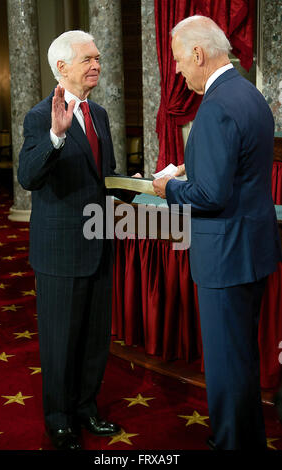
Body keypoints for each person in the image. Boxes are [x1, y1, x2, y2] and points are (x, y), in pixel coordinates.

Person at [153, 15, 282, 450]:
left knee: (228, 369)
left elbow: (209, 195)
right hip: (252, 252)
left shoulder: (215, 106)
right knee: (241, 360)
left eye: (177, 59)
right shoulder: (248, 95)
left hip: (224, 259)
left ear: (198, 52)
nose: (176, 71)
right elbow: (240, 170)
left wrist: (168, 186)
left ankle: (231, 443)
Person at [18, 30, 137, 451]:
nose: (97, 65)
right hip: (60, 253)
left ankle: (87, 408)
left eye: (98, 58)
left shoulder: (101, 113)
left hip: (99, 243)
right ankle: (60, 421)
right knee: (60, 342)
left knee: (93, 339)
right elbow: (28, 176)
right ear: (61, 68)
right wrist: (55, 138)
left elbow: (102, 178)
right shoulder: (37, 116)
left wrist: (135, 185)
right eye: (87, 59)